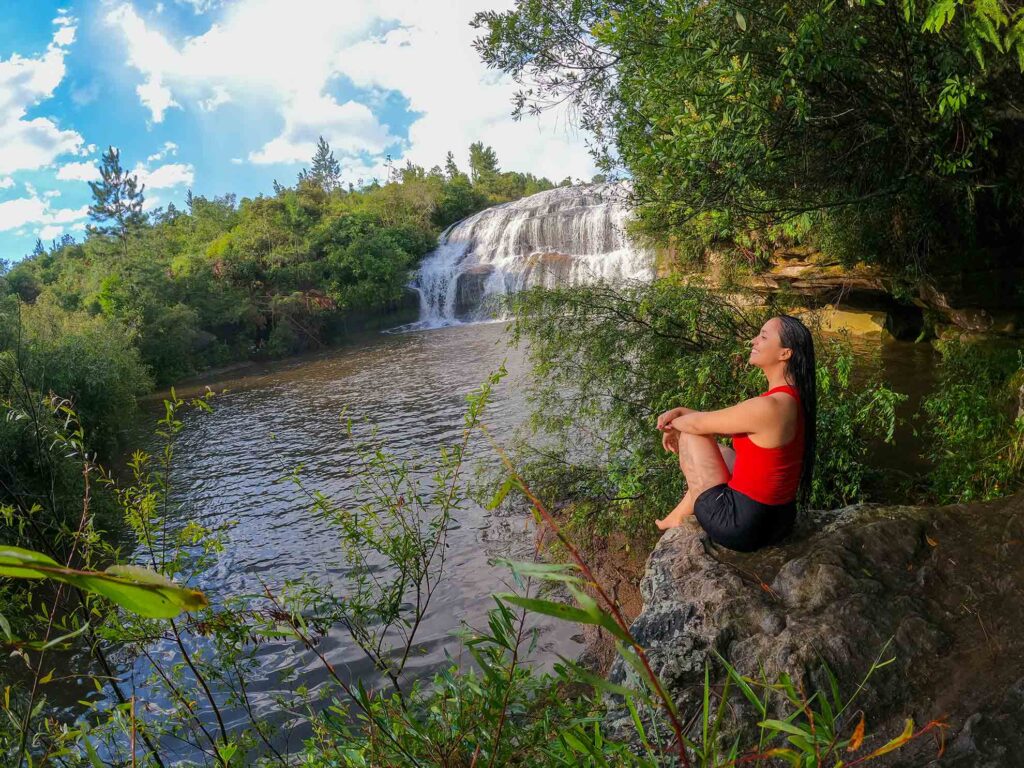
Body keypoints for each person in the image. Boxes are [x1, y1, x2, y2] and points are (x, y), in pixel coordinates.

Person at [653, 315, 817, 552]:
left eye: (762, 336)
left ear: (785, 353)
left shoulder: (768, 407)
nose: (753, 341)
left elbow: (698, 426)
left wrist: (676, 425)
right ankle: (678, 515)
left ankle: (679, 518)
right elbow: (710, 421)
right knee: (721, 452)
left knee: (691, 435)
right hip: (779, 522)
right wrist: (680, 415)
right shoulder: (791, 400)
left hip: (740, 526)